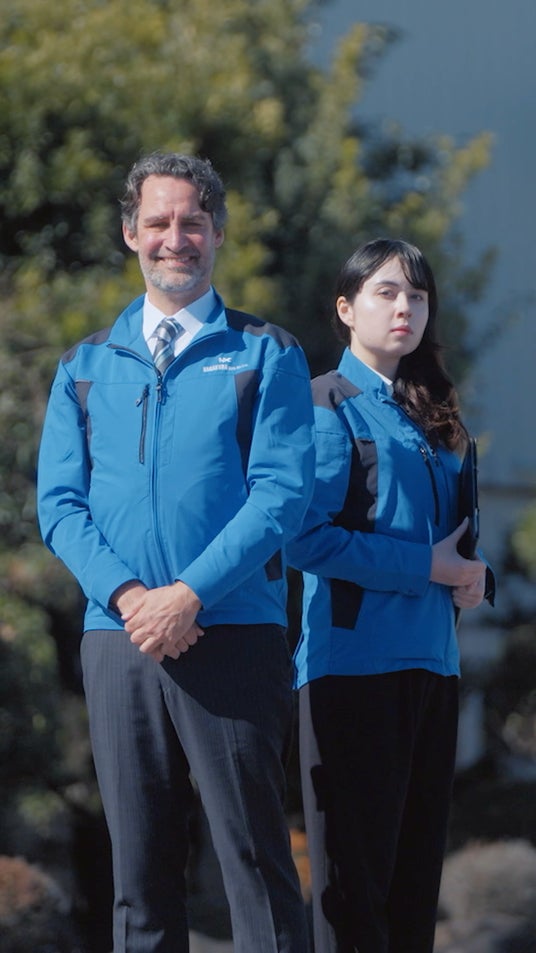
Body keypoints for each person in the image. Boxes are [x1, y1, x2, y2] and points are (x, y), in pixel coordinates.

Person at [37, 151, 315, 953]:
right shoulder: (84, 365)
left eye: (192, 221)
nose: (175, 237)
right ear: (130, 233)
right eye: (157, 221)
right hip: (119, 639)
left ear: (218, 232)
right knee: (139, 874)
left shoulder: (267, 353)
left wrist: (188, 595)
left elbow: (281, 494)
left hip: (232, 633)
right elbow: (60, 505)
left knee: (255, 864)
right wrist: (134, 600)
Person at [287, 238, 495, 953]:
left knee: (412, 895)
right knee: (353, 896)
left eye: (417, 295)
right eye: (386, 292)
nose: (405, 306)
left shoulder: (434, 416)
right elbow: (303, 540)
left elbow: (452, 539)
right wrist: (427, 567)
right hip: (353, 670)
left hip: (434, 667)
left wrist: (472, 574)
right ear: (346, 308)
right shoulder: (324, 402)